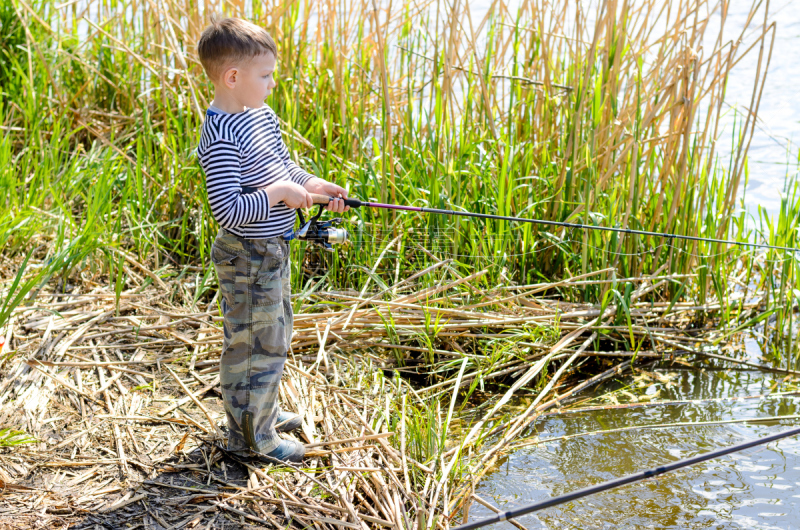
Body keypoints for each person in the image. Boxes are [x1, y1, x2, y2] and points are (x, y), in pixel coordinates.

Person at [195, 16, 348, 463]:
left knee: (275, 336)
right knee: (251, 346)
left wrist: (312, 185)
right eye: (265, 76)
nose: (272, 83)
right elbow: (229, 209)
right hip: (246, 257)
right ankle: (250, 439)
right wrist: (280, 195)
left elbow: (283, 169)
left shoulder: (260, 115)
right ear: (233, 77)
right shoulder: (220, 134)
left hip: (271, 251)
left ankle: (261, 412)